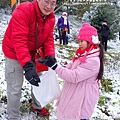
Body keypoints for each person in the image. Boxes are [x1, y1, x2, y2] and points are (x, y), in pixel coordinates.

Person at [2, 0, 57, 119]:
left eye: (53, 3)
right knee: (15, 87)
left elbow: (48, 38)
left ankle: (37, 105)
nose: (49, 6)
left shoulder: (51, 18)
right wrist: (27, 66)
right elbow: (19, 40)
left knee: (38, 80)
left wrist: (50, 55)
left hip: (34, 52)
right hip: (14, 51)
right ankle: (13, 116)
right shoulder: (24, 11)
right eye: (46, 1)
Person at [38, 23, 104, 120]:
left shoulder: (93, 60)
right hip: (76, 91)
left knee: (78, 116)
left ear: (90, 42)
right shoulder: (84, 54)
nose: (79, 44)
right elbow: (72, 66)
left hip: (83, 97)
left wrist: (56, 67)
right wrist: (58, 66)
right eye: (79, 41)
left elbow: (74, 76)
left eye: (82, 41)